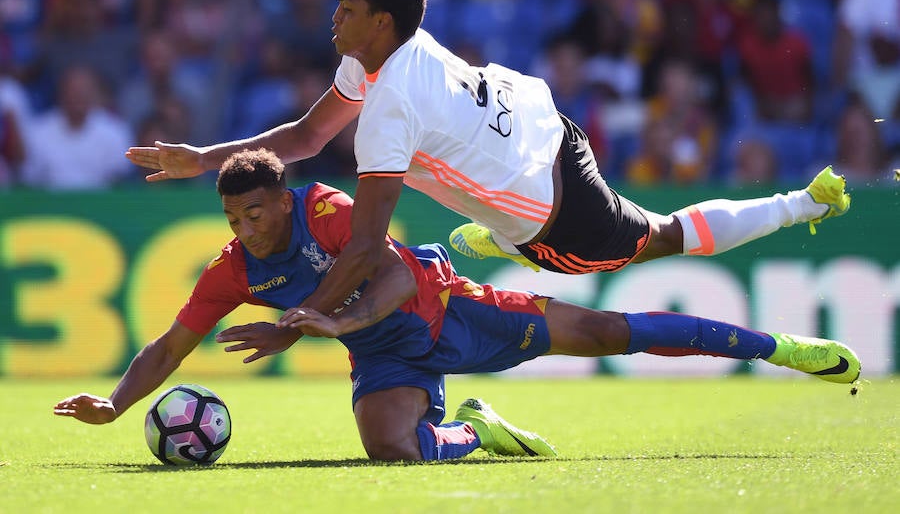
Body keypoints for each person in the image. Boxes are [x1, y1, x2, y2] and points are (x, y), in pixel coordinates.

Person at [125, 0, 850, 318]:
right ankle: (492, 233)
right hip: (540, 118)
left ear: (382, 21)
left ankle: (803, 203)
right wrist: (202, 158)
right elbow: (311, 134)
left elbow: (370, 247)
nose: (333, 18)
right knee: (476, 194)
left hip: (557, 216)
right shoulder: (378, 58)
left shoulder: (389, 108)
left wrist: (306, 318)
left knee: (661, 237)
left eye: (346, 7)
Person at [55, 149, 861, 462]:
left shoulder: (329, 211)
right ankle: (479, 428)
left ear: (283, 198)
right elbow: (170, 345)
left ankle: (775, 347)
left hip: (451, 310)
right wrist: (119, 402)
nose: (248, 227)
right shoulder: (232, 269)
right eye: (235, 218)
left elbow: (397, 278)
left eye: (258, 211)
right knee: (393, 454)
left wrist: (327, 321)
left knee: (613, 330)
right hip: (388, 355)